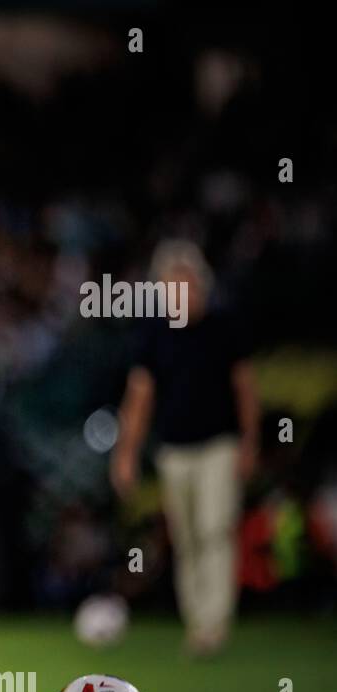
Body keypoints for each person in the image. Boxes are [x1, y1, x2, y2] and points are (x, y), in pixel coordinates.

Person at [111, 240, 259, 656]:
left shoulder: (224, 327)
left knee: (216, 529)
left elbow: (245, 388)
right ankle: (197, 622)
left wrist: (250, 442)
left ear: (201, 285)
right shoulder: (155, 334)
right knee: (187, 536)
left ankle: (214, 622)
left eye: (187, 285)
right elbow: (139, 397)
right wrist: (126, 453)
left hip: (219, 445)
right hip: (174, 450)